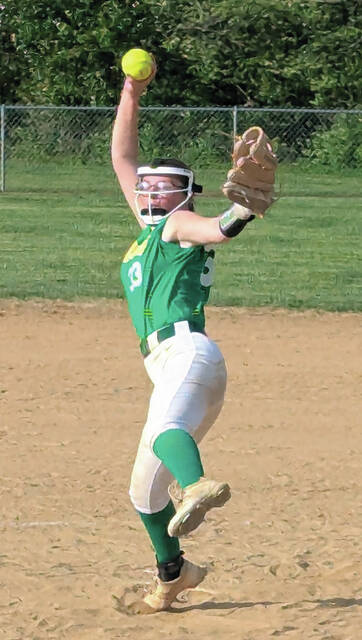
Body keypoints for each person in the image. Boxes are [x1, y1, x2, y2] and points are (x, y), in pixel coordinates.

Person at [111, 63, 255, 614]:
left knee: (167, 432)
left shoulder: (178, 225)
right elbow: (122, 157)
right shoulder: (151, 229)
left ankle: (196, 487)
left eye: (161, 184)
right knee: (143, 493)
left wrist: (243, 208)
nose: (147, 188)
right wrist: (132, 91)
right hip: (176, 368)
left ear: (183, 195)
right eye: (145, 184)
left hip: (188, 354)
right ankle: (173, 572)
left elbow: (218, 228)